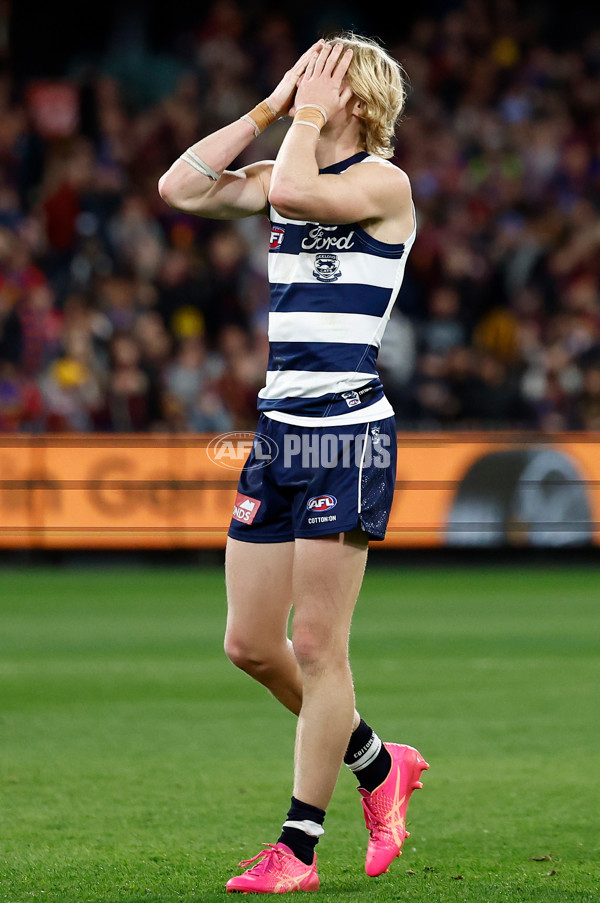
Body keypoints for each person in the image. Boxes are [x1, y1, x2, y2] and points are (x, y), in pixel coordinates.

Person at [159, 33, 429, 894]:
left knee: (315, 644)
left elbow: (295, 188)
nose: (311, 79)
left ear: (361, 95)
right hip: (279, 434)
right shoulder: (289, 165)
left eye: (327, 71)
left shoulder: (383, 182)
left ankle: (298, 848)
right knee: (248, 643)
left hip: (346, 434)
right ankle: (378, 761)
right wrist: (269, 110)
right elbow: (181, 187)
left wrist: (303, 119)